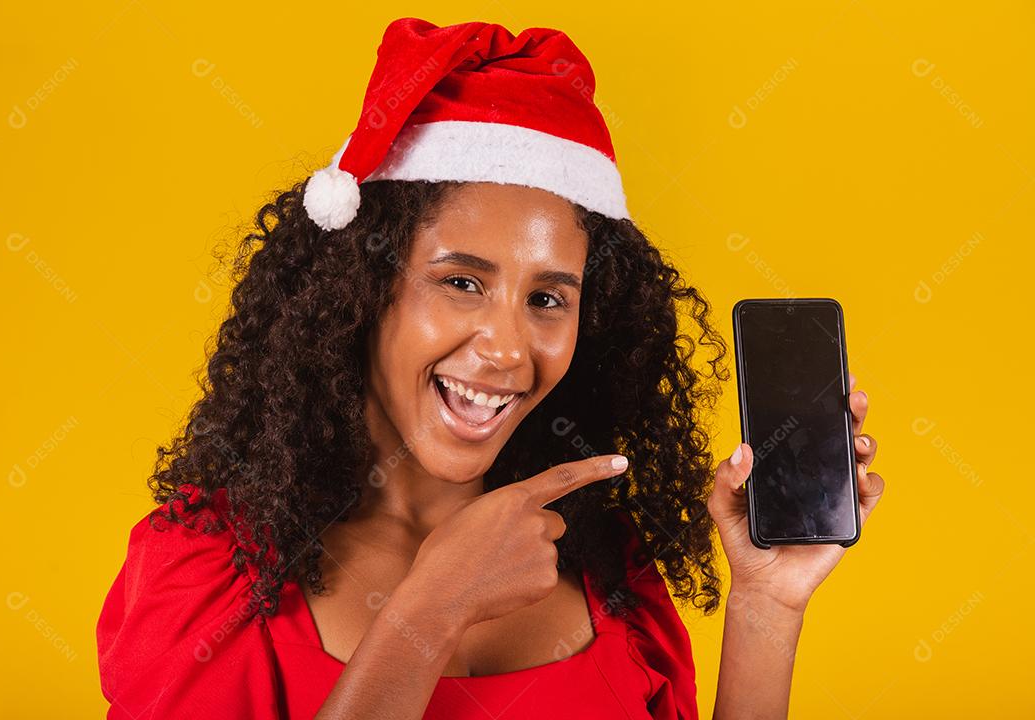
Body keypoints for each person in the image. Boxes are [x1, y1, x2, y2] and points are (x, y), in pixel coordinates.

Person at [96, 17, 885, 720]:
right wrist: (430, 609)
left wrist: (764, 609)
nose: (509, 349)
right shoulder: (209, 574)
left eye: (548, 298)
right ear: (361, 288)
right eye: (462, 282)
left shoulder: (606, 568)